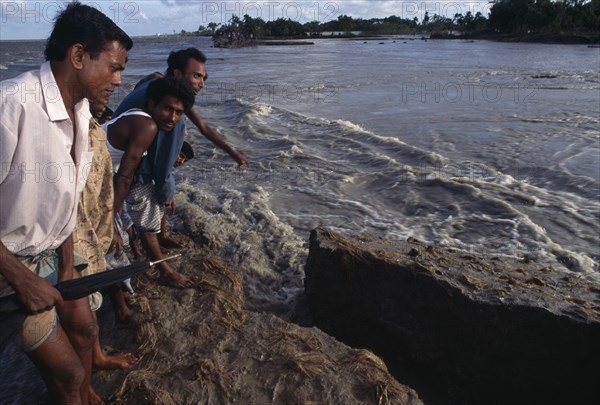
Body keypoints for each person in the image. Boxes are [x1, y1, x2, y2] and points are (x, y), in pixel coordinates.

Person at [0, 2, 132, 404]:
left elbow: (67, 204)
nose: (119, 80)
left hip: (52, 257)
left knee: (86, 329)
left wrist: (68, 268)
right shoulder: (12, 105)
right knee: (68, 373)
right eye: (113, 66)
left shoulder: (79, 113)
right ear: (78, 56)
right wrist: (23, 280)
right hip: (10, 270)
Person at [106, 77, 195, 288]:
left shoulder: (142, 117)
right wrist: (112, 222)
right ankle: (164, 271)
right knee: (116, 243)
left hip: (101, 173)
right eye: (167, 109)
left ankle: (156, 263)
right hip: (88, 178)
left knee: (144, 216)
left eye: (178, 113)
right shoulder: (146, 126)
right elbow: (125, 177)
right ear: (151, 104)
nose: (172, 118)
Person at [130, 47, 249, 167]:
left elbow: (203, 127)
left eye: (204, 78)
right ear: (177, 74)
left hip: (126, 142)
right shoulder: (163, 93)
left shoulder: (156, 80)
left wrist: (233, 153)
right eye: (196, 76)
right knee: (177, 122)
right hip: (127, 151)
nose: (202, 84)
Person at [158, 141, 195, 249]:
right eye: (181, 156)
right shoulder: (160, 161)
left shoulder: (166, 163)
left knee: (163, 200)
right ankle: (155, 245)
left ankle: (162, 237)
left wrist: (169, 195)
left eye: (185, 160)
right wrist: (168, 195)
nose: (181, 161)